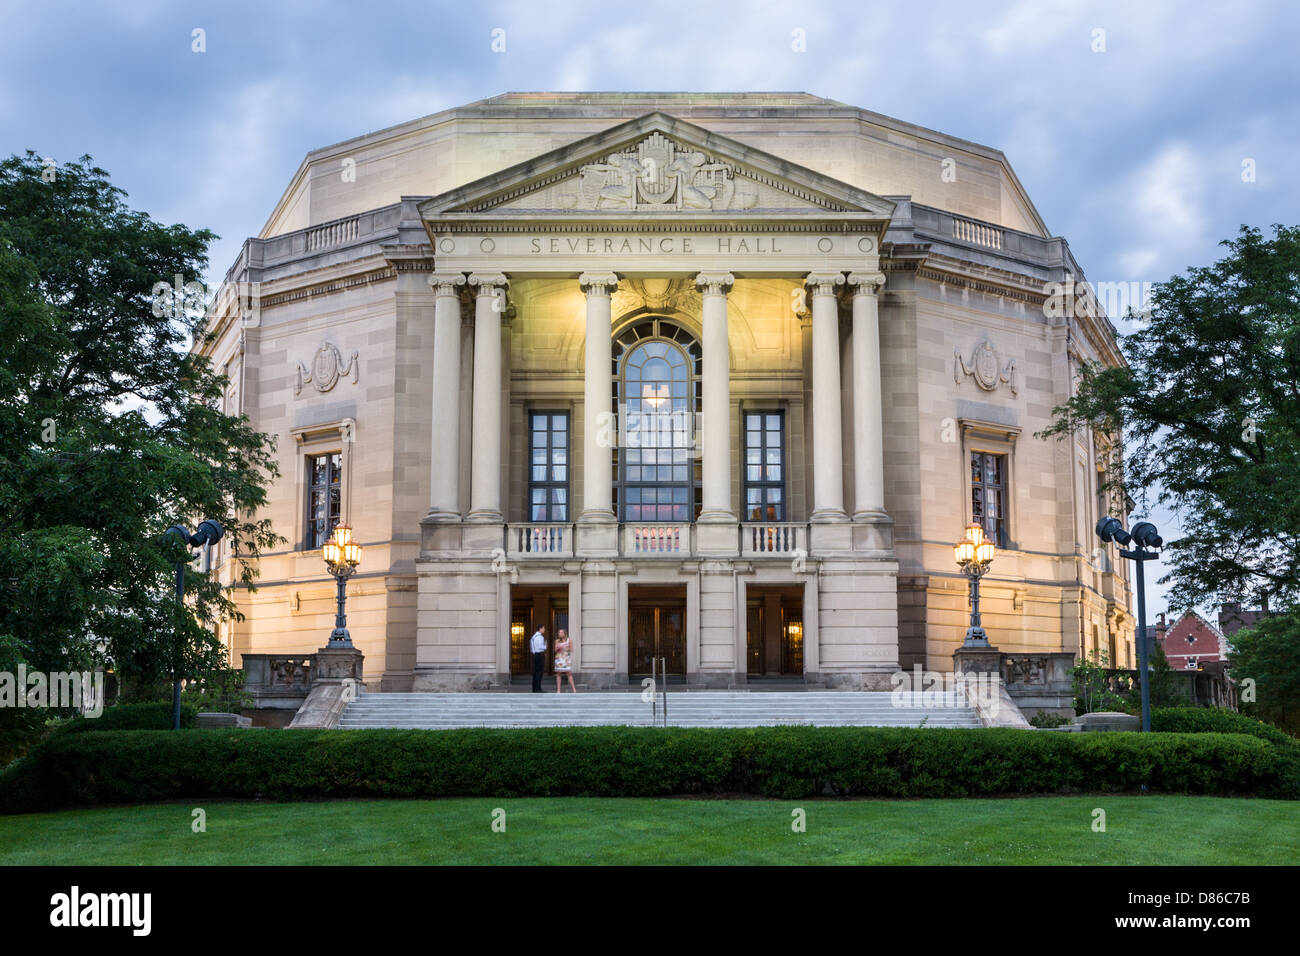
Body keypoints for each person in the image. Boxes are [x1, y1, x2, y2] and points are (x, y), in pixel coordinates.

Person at [553, 629, 576, 694]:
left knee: (569, 673)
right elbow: (555, 650)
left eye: (561, 632)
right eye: (559, 632)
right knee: (558, 674)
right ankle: (558, 690)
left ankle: (574, 689)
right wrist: (557, 648)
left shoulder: (569, 640)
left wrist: (566, 648)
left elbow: (572, 649)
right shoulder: (557, 641)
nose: (560, 633)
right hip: (559, 658)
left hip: (566, 658)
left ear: (565, 633)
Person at [529, 624, 547, 693]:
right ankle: (538, 689)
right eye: (543, 628)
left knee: (535, 672)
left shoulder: (533, 637)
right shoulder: (540, 637)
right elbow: (540, 647)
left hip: (534, 655)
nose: (544, 629)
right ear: (540, 628)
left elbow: (531, 647)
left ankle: (534, 688)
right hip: (539, 655)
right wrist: (545, 646)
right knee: (539, 672)